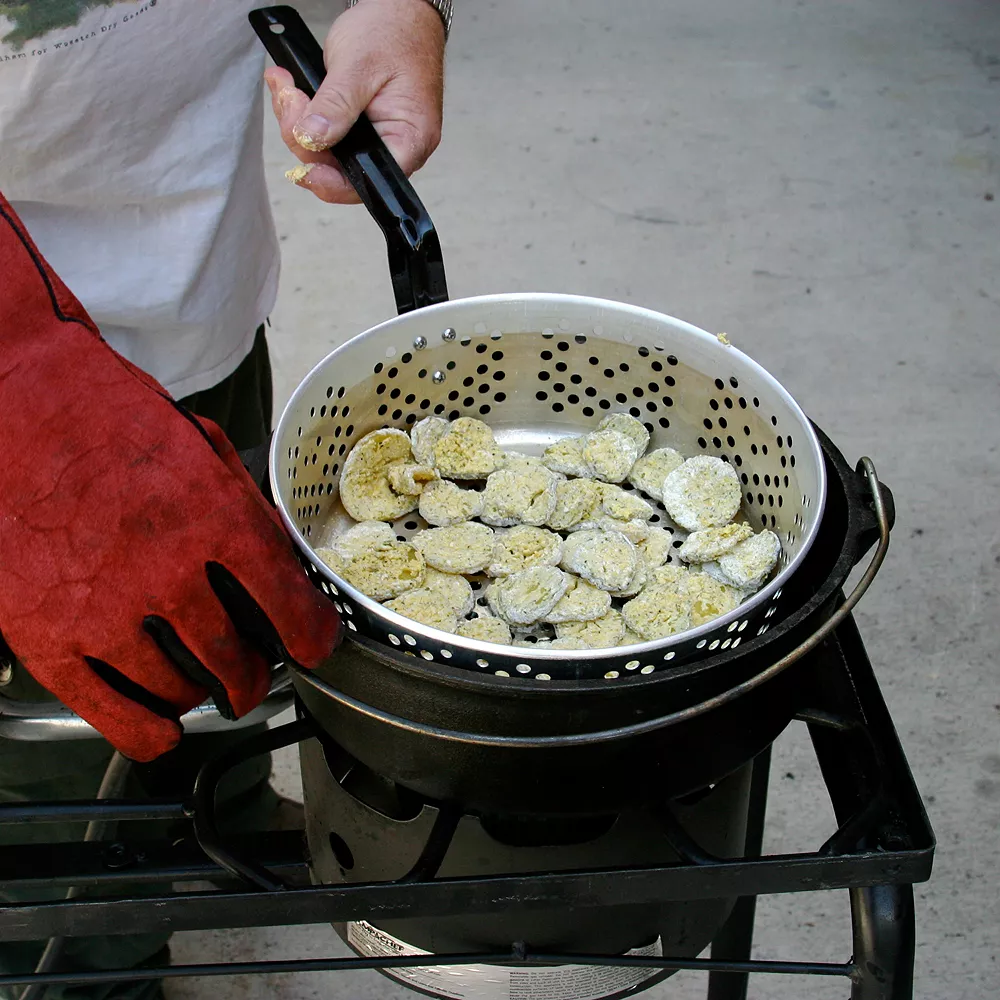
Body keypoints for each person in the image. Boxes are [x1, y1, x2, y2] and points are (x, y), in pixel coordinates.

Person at [0, 0, 449, 996]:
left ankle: (218, 818)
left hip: (187, 270)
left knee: (232, 617)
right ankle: (74, 963)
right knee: (56, 739)